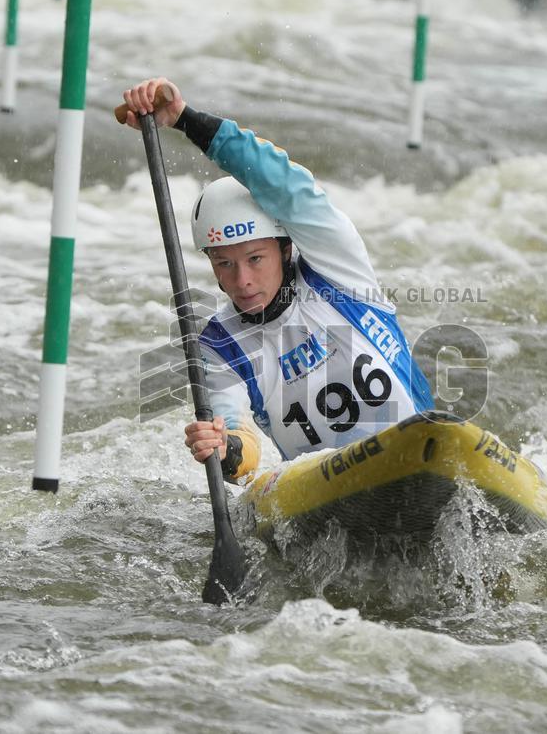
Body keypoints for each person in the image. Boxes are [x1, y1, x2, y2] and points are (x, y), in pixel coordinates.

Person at [122, 78, 434, 482]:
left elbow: (284, 182)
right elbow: (242, 439)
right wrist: (225, 449)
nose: (243, 280)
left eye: (255, 258)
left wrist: (185, 120)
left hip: (421, 453)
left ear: (285, 249)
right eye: (225, 264)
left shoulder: (336, 268)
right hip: (334, 494)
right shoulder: (219, 347)